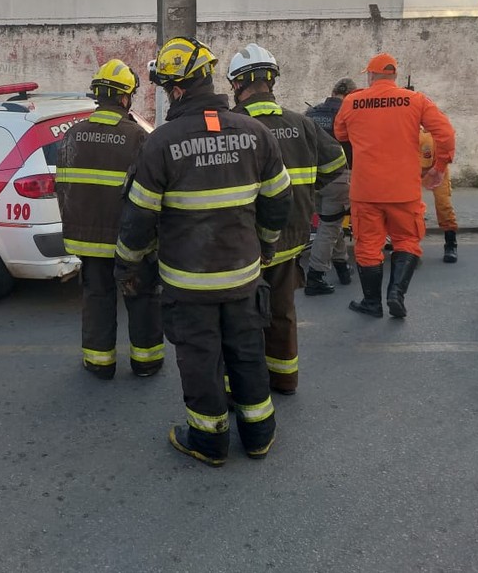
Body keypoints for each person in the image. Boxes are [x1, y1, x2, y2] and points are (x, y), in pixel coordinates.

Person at [116, 37, 293, 467]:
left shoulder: (160, 143)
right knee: (247, 351)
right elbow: (279, 201)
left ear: (176, 89)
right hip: (244, 274)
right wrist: (267, 244)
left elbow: (138, 218)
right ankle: (258, 435)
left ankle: (209, 441)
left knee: (200, 358)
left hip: (188, 282)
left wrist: (128, 263)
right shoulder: (256, 133)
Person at [227, 44, 347, 394]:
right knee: (282, 310)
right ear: (272, 80)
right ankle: (284, 378)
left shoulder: (234, 126)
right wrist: (306, 189)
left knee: (241, 315)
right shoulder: (302, 124)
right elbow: (335, 166)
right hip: (290, 235)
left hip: (245, 240)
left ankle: (243, 385)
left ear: (237, 85)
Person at [56, 59, 163, 380]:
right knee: (141, 299)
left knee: (97, 300)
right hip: (130, 242)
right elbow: (150, 197)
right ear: (125, 98)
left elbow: (63, 191)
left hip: (88, 243)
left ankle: (99, 364)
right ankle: (146, 363)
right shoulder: (138, 138)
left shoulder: (71, 136)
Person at [334, 53, 455, 319]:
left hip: (366, 190)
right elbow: (445, 133)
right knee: (407, 240)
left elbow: (340, 133)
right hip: (404, 190)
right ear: (395, 76)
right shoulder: (416, 100)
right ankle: (396, 293)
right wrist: (439, 167)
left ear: (370, 75)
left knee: (368, 245)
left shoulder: (353, 100)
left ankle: (372, 303)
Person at [303, 77, 357, 294]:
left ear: (332, 91)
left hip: (313, 178)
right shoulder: (349, 114)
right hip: (339, 176)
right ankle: (315, 275)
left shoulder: (312, 113)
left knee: (330, 222)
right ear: (351, 94)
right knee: (330, 226)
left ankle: (343, 267)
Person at [419, 126, 459, 263]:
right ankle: (406, 245)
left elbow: (447, 137)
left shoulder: (434, 119)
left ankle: (451, 244)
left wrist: (440, 168)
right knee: (407, 207)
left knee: (444, 205)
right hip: (411, 167)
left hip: (437, 167)